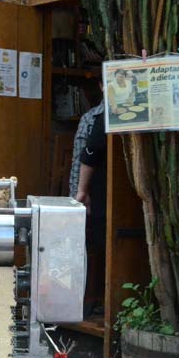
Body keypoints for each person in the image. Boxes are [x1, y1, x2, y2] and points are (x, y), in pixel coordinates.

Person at [74, 102, 108, 316]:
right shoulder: (95, 118)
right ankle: (91, 300)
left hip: (101, 194)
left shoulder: (101, 117)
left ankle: (91, 299)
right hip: (103, 195)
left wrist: (80, 192)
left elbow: (88, 154)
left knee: (95, 246)